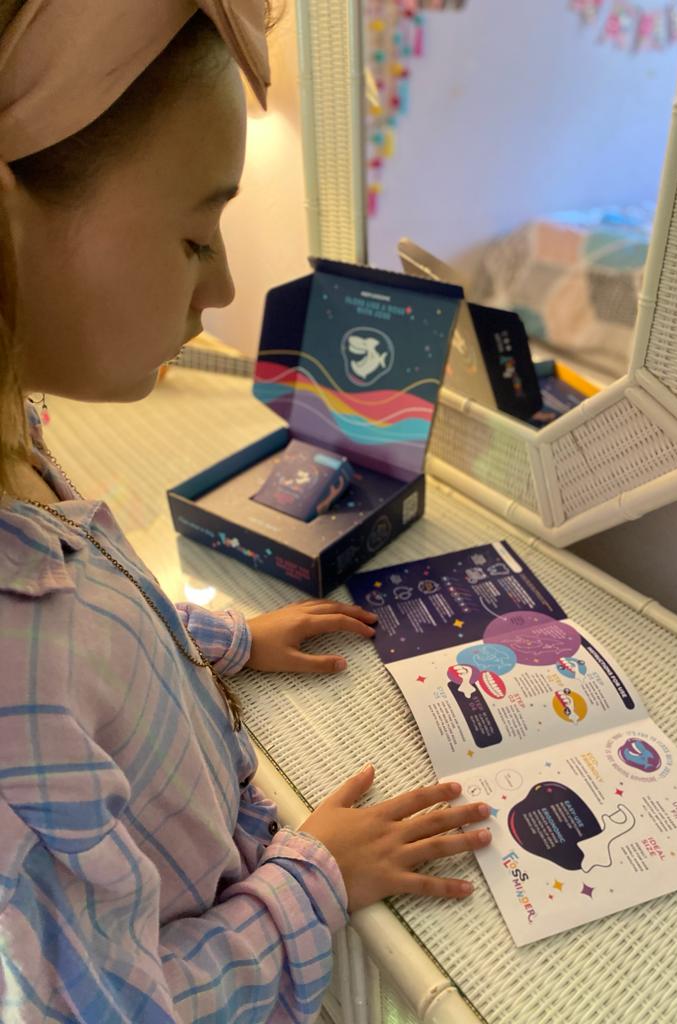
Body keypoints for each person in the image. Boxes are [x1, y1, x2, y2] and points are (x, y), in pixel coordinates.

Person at [0, 3, 492, 1021]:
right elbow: (126, 1007)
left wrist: (220, 639)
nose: (222, 286)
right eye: (195, 237)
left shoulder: (19, 443)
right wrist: (316, 878)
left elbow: (98, 626)